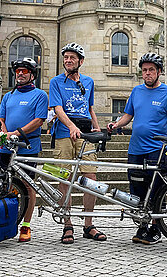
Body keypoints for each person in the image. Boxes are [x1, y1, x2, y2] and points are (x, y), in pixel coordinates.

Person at [108, 53, 167, 244]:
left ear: (159, 72)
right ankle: (142, 225)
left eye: (151, 70)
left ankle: (157, 227)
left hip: (157, 150)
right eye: (144, 70)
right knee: (137, 187)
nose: (148, 73)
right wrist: (116, 125)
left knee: (156, 189)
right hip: (136, 148)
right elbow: (128, 115)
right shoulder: (136, 91)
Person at [49, 42, 106, 244]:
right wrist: (72, 126)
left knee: (90, 177)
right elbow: (58, 109)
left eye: (72, 58)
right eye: (66, 57)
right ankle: (67, 224)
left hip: (85, 134)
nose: (68, 61)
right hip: (64, 133)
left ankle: (88, 224)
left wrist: (97, 128)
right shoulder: (56, 82)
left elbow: (90, 108)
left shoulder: (88, 81)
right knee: (64, 179)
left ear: (80, 61)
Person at [0, 57, 47, 242]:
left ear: (32, 75)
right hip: (6, 147)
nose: (20, 74)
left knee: (27, 185)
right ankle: (5, 221)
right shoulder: (8, 96)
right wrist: (4, 133)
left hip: (27, 146)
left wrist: (16, 133)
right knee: (4, 184)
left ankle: (26, 225)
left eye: (24, 71)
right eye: (18, 71)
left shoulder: (39, 95)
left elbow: (39, 121)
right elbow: (1, 118)